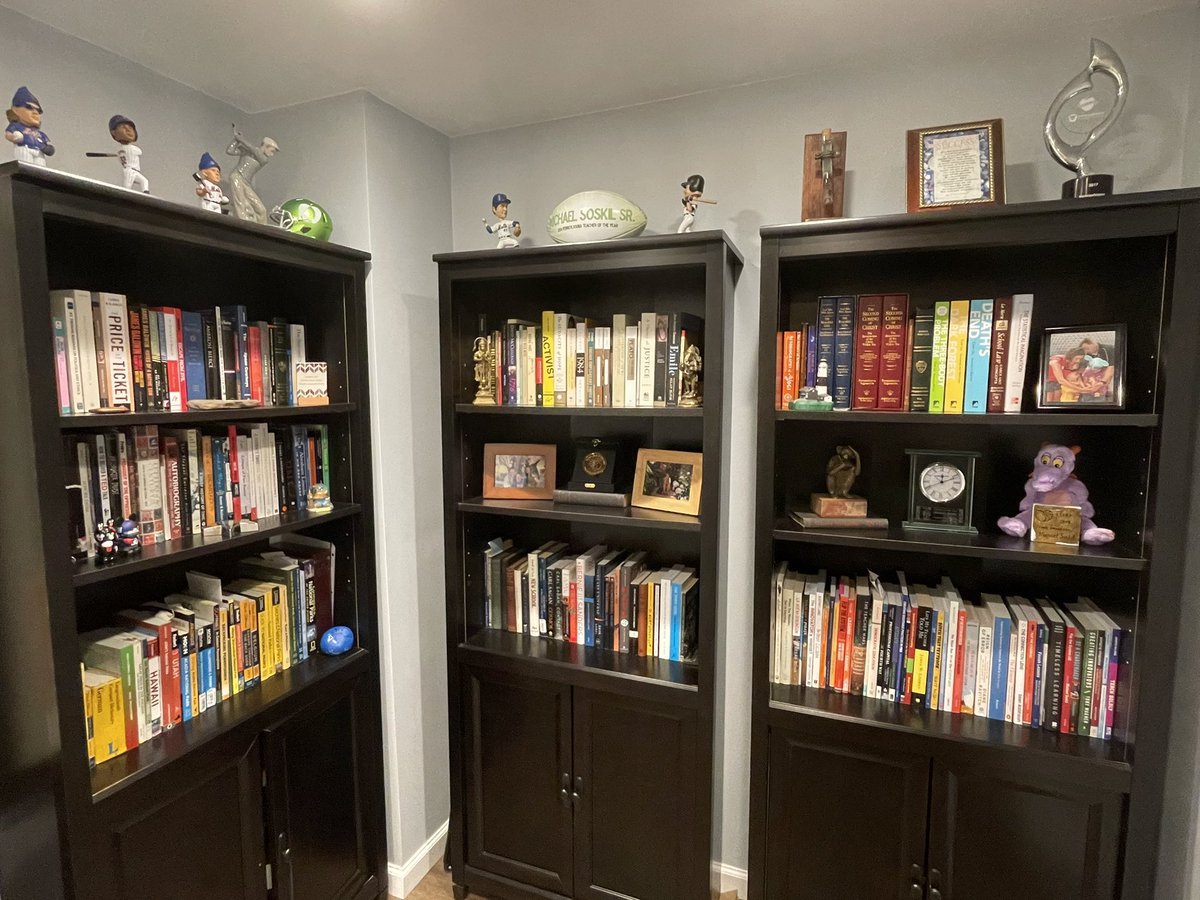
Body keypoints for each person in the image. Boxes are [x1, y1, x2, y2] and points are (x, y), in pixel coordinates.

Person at [225, 131, 280, 223]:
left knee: (261, 209)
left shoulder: (263, 159)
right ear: (265, 146)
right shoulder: (248, 151)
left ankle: (262, 230)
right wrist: (236, 140)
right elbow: (230, 151)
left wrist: (240, 139)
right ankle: (244, 225)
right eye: (272, 151)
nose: (272, 154)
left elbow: (253, 149)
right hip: (237, 177)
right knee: (240, 203)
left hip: (246, 183)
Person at [5, 86, 54, 166]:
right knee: (26, 168)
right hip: (24, 148)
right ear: (15, 110)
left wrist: (48, 148)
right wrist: (15, 137)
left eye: (38, 111)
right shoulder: (17, 126)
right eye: (29, 108)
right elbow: (8, 134)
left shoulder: (39, 133)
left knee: (41, 171)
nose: (35, 113)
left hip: (39, 152)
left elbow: (48, 145)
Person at [108, 115, 150, 193]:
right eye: (123, 127)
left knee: (144, 181)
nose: (128, 130)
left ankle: (146, 194)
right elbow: (138, 152)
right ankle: (125, 198)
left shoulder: (122, 150)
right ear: (114, 133)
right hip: (129, 170)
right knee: (127, 187)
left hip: (135, 171)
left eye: (130, 128)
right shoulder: (123, 150)